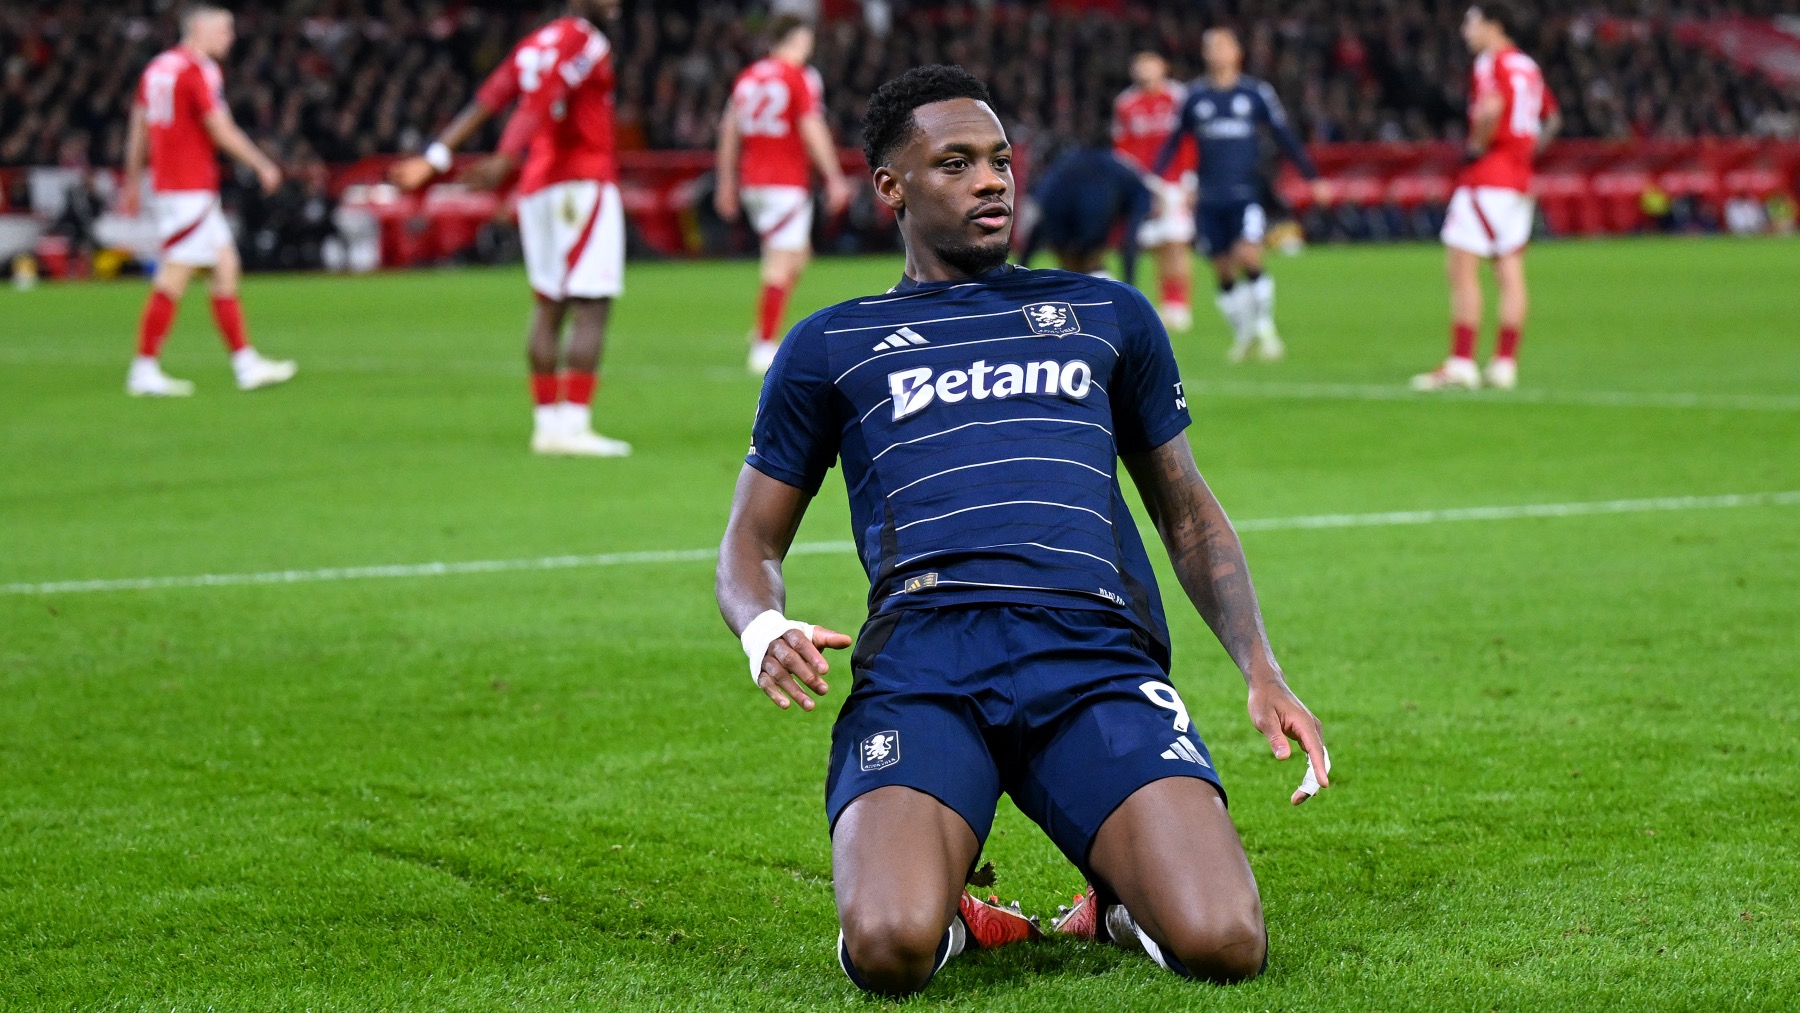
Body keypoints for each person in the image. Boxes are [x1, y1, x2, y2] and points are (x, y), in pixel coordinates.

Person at [716, 65, 1331, 998]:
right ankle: (952, 911)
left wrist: (1261, 665)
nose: (992, 180)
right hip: (925, 664)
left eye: (1000, 160)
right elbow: (748, 545)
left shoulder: (1105, 314)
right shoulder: (832, 344)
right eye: (956, 163)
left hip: (1092, 659)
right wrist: (765, 628)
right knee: (887, 946)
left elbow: (1186, 509)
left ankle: (1118, 903)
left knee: (1226, 939)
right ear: (891, 187)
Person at [391, 0, 630, 457]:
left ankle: (547, 426)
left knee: (548, 302)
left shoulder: (537, 41)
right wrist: (505, 155)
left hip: (538, 187)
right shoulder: (586, 39)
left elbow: (493, 94)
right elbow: (546, 97)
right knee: (592, 304)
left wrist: (436, 155)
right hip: (580, 181)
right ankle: (575, 426)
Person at [121, 4, 295, 398]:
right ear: (198, 29)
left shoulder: (157, 68)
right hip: (189, 188)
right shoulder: (198, 69)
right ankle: (144, 368)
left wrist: (133, 177)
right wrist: (261, 163)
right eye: (224, 31)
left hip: (171, 185)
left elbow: (138, 122)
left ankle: (245, 364)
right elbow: (219, 127)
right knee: (175, 275)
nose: (229, 39)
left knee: (225, 266)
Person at [1154, 28, 1331, 364]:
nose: (1217, 51)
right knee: (1222, 269)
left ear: (1237, 52)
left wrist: (1312, 177)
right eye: (1211, 46)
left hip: (1245, 192)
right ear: (1205, 54)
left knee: (1249, 256)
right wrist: (1154, 181)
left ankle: (1264, 329)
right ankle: (1243, 335)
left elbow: (1284, 136)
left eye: (1223, 45)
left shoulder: (1255, 93)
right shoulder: (1194, 97)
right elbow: (1174, 141)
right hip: (1208, 196)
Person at [1412, 4, 1560, 392]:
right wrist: (1524, 153)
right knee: (1510, 273)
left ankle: (1462, 362)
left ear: (1494, 26)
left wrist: (1476, 148)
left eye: (1471, 23)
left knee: (1461, 268)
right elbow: (1551, 118)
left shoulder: (1490, 62)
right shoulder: (1528, 66)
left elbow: (1492, 107)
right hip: (1519, 181)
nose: (1465, 31)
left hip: (1487, 178)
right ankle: (1504, 364)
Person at [715, 15, 853, 376]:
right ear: (792, 39)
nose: (808, 48)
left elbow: (730, 130)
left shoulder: (748, 77)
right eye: (805, 41)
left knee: (798, 256)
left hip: (753, 181)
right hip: (784, 181)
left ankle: (764, 326)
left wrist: (726, 181)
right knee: (780, 261)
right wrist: (834, 177)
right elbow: (811, 127)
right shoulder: (797, 76)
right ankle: (763, 344)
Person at [1113, 52, 1198, 331]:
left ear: (1163, 67)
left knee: (1177, 243)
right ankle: (1167, 303)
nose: (1145, 72)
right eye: (1140, 67)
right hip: (1144, 183)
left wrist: (1190, 180)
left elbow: (1190, 139)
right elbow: (1122, 148)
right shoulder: (1126, 103)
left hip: (1175, 181)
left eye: (1150, 65)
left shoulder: (1179, 97)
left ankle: (1180, 305)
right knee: (1157, 246)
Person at [1026, 135, 1151, 280]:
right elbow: (1130, 239)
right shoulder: (1123, 175)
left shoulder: (1065, 166)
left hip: (1067, 215)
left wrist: (1021, 271)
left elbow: (1038, 221)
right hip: (1077, 215)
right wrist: (1130, 283)